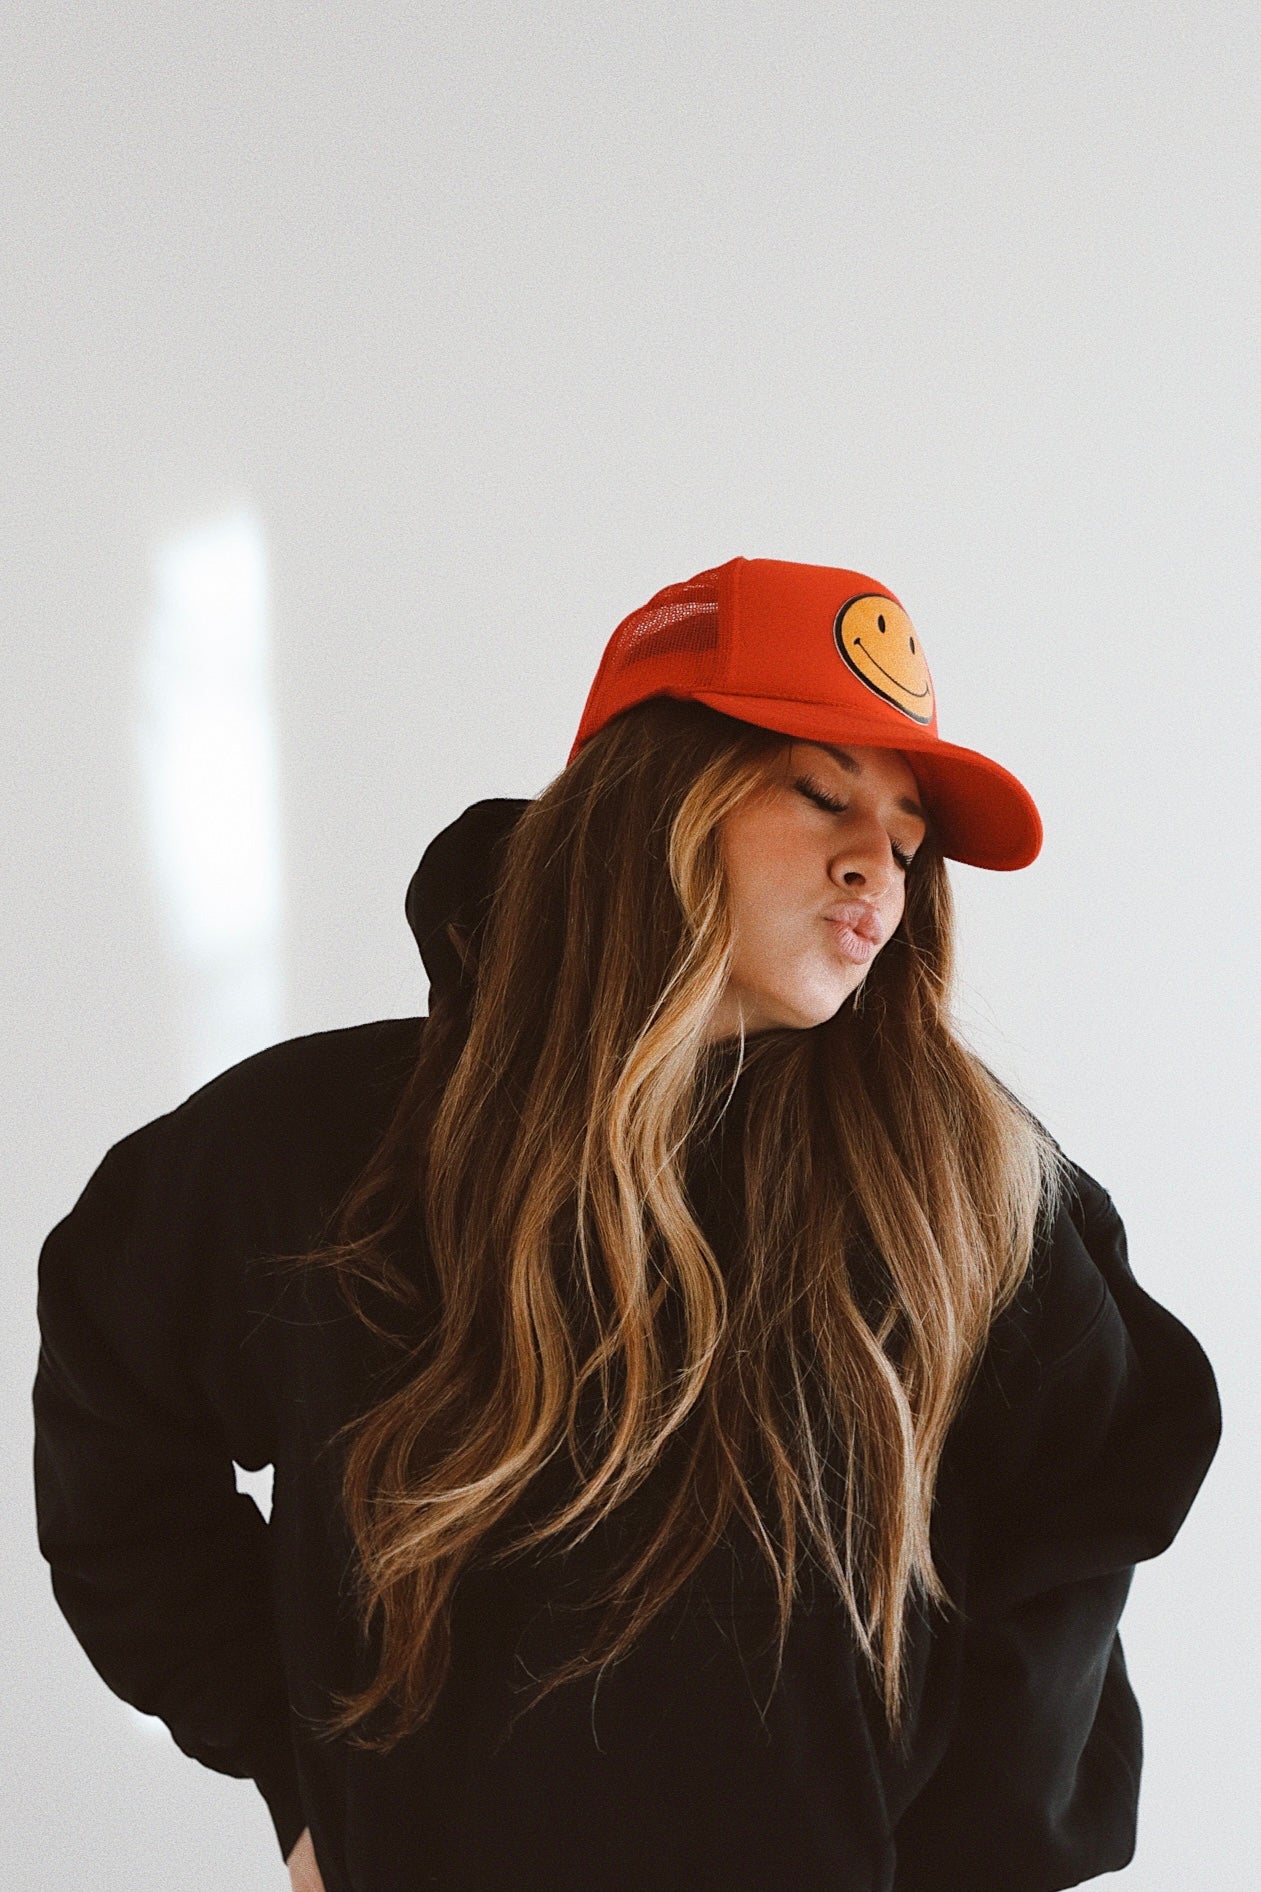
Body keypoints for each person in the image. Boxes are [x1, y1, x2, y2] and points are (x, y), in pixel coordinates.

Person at [33, 556, 1221, 1892]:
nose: (871, 867)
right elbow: (116, 1439)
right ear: (650, 799)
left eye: (902, 837)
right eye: (820, 790)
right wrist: (292, 1772)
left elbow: (1079, 1526)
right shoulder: (319, 1150)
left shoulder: (960, 1181)